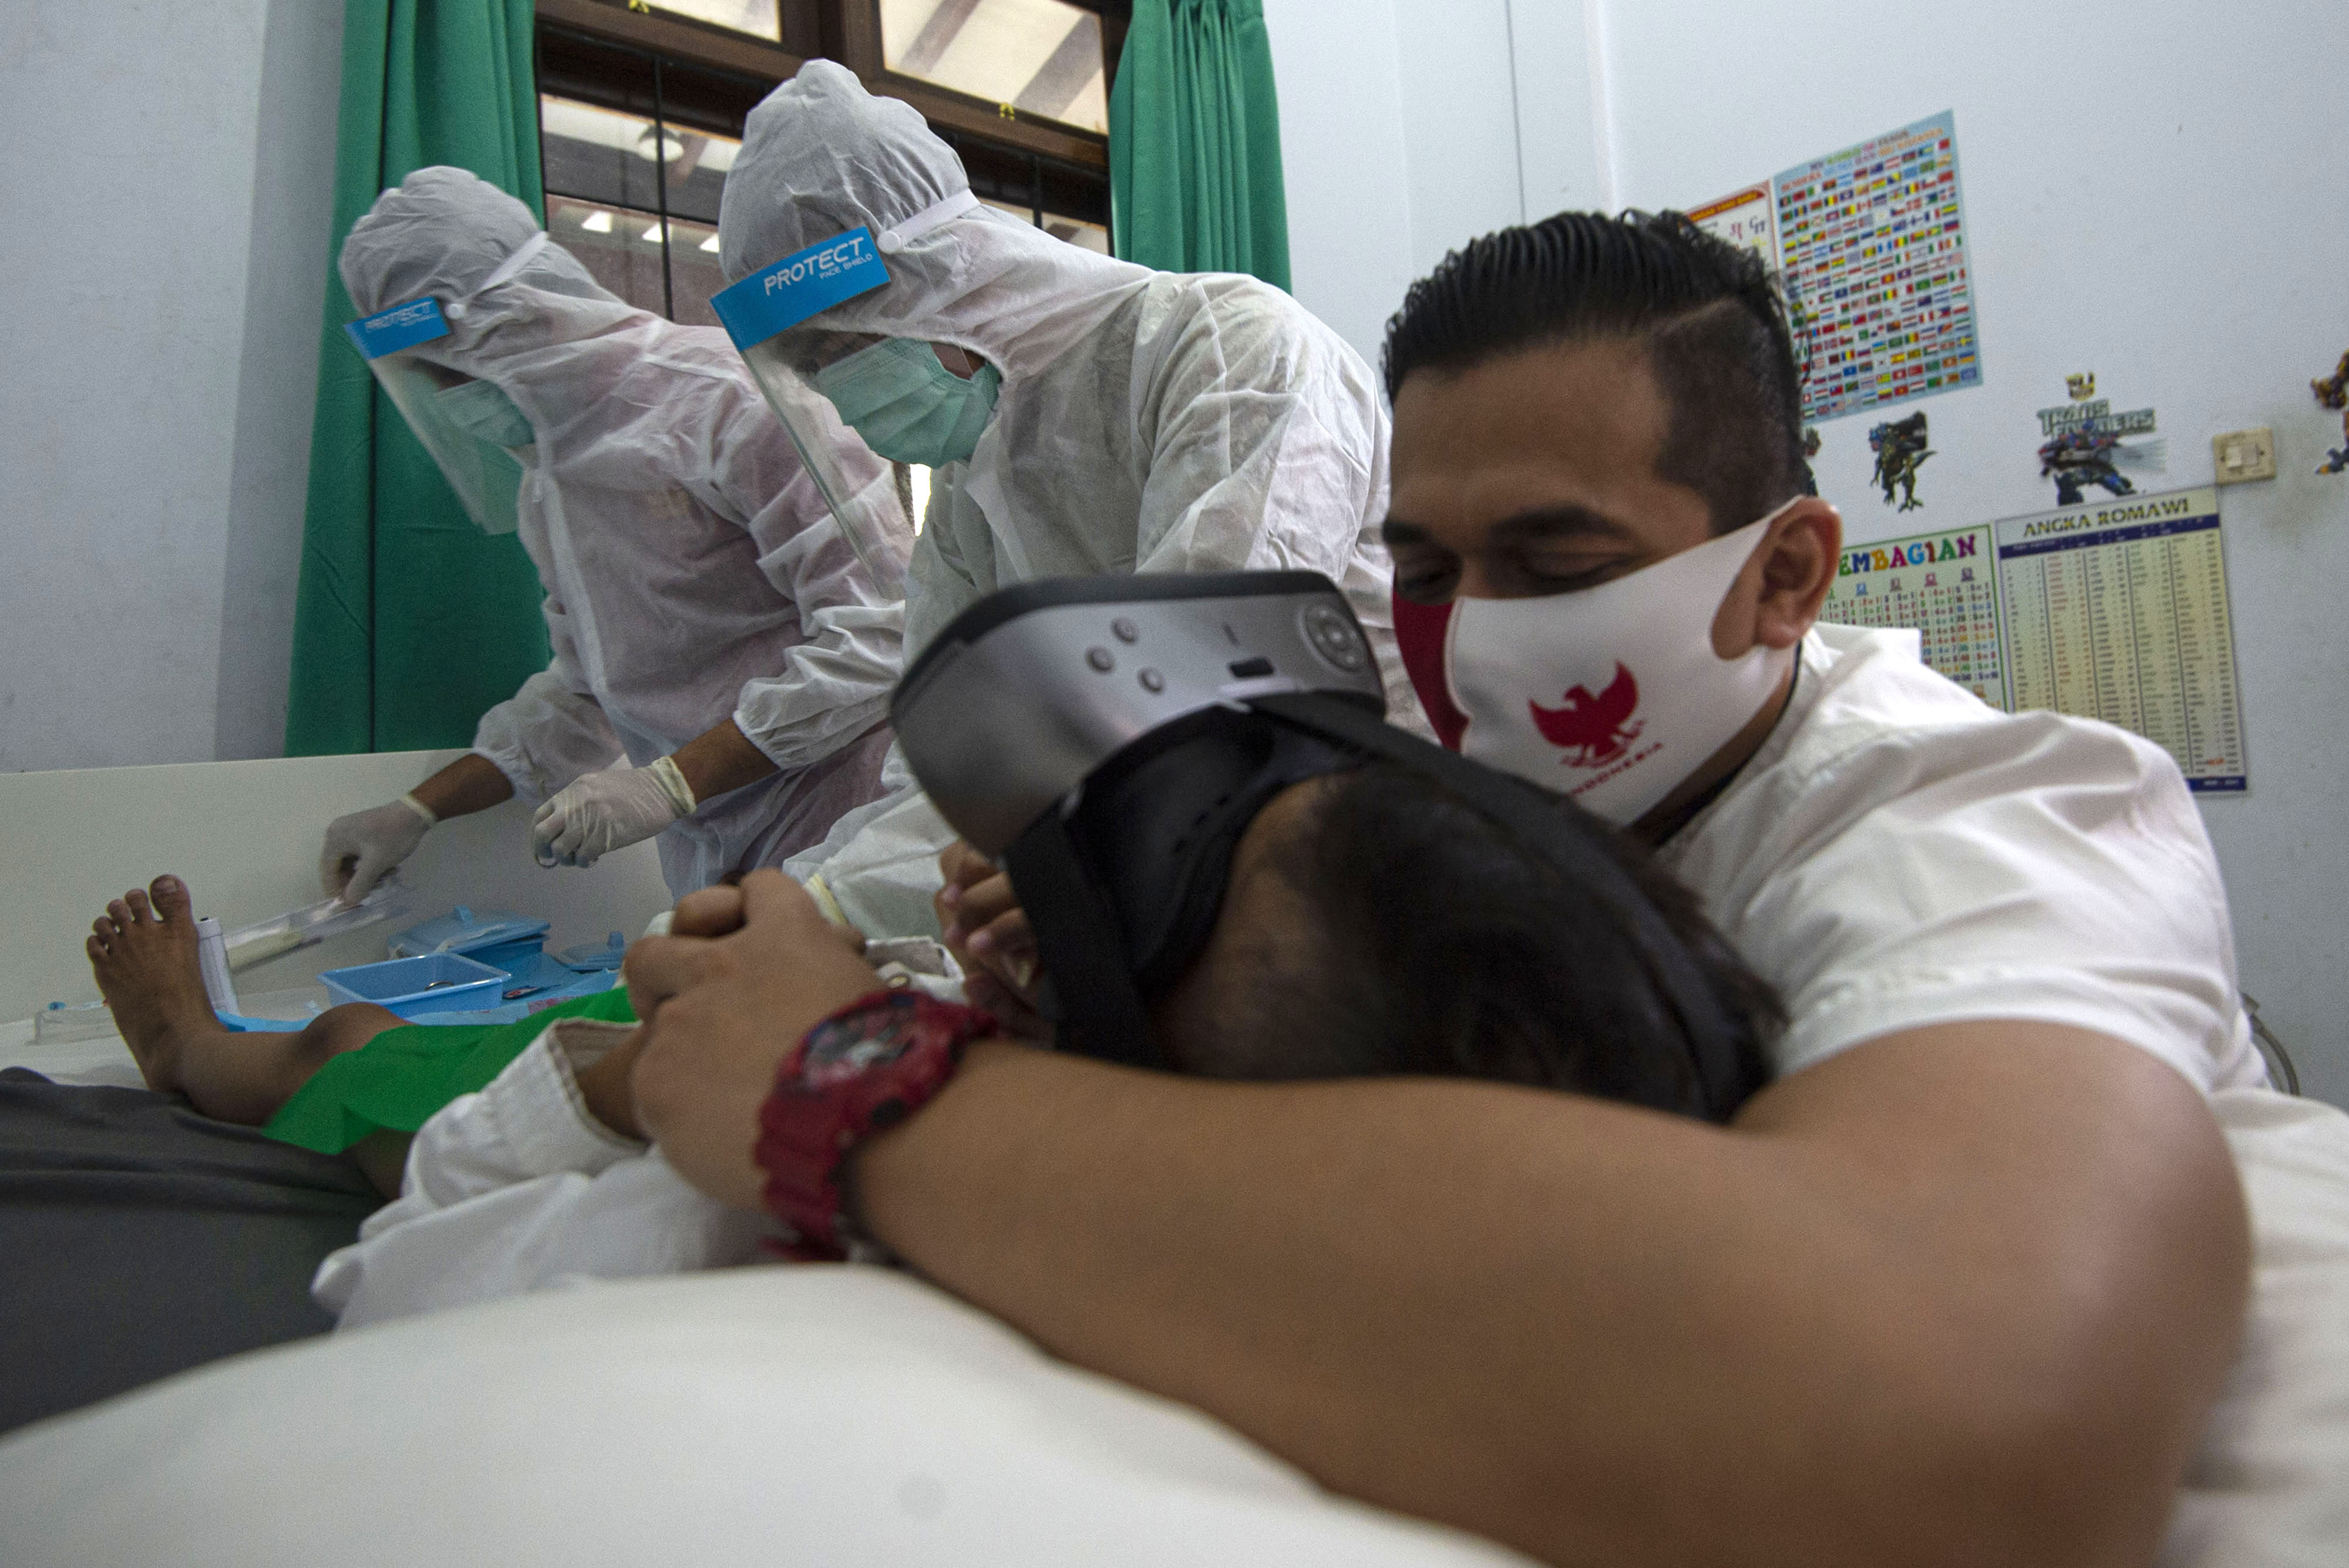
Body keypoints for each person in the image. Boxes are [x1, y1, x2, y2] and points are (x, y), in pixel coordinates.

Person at [622, 212, 2260, 1568]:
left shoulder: (1998, 814)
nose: (1468, 635)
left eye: (1556, 567)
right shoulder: (1447, 734)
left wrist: (849, 1083)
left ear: (1785, 574)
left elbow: (1961, 1423)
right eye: (1418, 569)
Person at [300, 743, 1778, 1325]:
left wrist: (633, 1086)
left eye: (1141, 927)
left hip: (588, 1118)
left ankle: (204, 1055)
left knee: (351, 1053)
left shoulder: (770, 1251)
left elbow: (391, 1279)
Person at [708, 61, 1426, 938]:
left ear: (940, 288)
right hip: (1155, 886)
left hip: (1358, 865)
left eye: (838, 347)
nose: (837, 387)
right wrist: (807, 897)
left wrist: (834, 909)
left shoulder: (1233, 352)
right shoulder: (972, 507)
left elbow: (1199, 689)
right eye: (809, 366)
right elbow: (952, 770)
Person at [319, 167, 907, 907]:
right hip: (717, 853)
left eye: (444, 370)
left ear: (510, 320)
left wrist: (669, 783)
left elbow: (884, 632)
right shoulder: (550, 482)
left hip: (852, 827)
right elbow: (589, 694)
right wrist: (416, 810)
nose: (444, 397)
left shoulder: (726, 401)